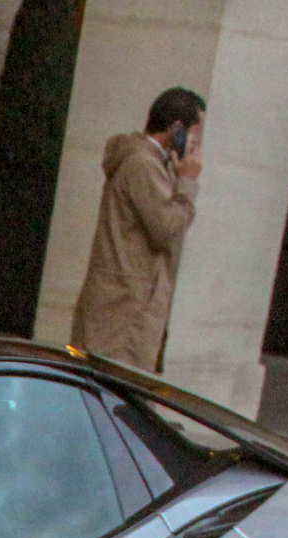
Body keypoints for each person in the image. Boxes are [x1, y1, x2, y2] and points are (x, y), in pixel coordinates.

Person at [71, 87, 206, 372]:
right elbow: (167, 230)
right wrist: (187, 183)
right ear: (176, 129)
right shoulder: (143, 164)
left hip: (125, 304)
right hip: (124, 312)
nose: (197, 143)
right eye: (195, 133)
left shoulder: (150, 161)